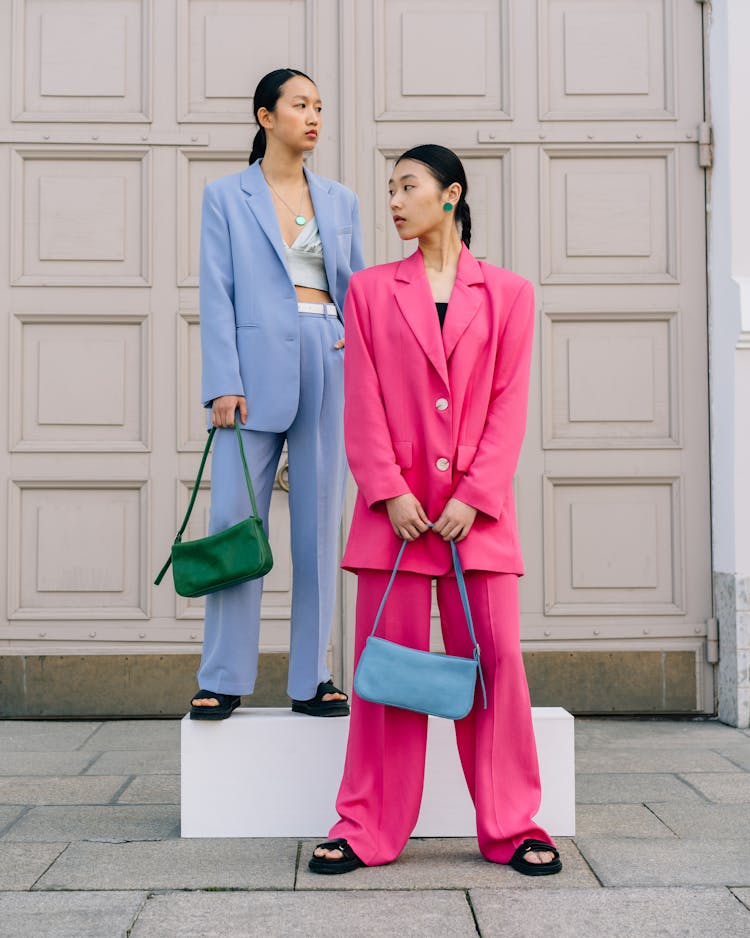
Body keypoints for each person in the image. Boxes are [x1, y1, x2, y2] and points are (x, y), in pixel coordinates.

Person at [308, 145, 561, 875]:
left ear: (450, 196)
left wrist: (477, 496)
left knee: (496, 669)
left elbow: (510, 404)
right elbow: (361, 398)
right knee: (385, 676)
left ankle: (514, 827)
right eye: (389, 188)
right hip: (398, 516)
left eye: (407, 186)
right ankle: (365, 828)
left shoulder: (510, 293)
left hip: (475, 519)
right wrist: (389, 490)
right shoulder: (368, 290)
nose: (392, 199)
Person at [191, 68, 364, 720]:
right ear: (266, 116)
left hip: (327, 357)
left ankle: (311, 677)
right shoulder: (226, 196)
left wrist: (361, 349)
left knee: (321, 529)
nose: (313, 116)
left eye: (320, 106)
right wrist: (221, 385)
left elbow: (358, 288)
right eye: (300, 105)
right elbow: (217, 293)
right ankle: (224, 675)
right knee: (238, 523)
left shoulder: (339, 200)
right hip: (251, 374)